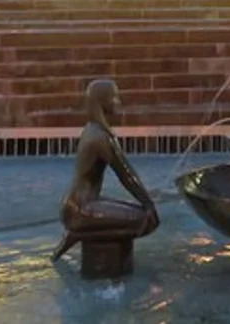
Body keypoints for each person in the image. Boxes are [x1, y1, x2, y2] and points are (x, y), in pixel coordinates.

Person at [51, 79, 159, 263]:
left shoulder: (91, 129)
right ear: (103, 102)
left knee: (134, 211)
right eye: (114, 97)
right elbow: (126, 175)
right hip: (81, 209)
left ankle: (80, 231)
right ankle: (90, 238)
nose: (118, 102)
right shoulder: (101, 137)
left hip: (74, 206)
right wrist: (149, 205)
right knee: (147, 219)